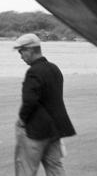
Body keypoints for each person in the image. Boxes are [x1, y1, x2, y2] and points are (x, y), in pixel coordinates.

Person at [14, 33, 75, 176]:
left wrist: (22, 120)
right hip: (54, 129)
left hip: (36, 130)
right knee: (55, 167)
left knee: (26, 169)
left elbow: (30, 101)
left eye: (21, 51)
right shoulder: (54, 68)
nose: (21, 56)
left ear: (29, 50)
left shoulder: (33, 72)